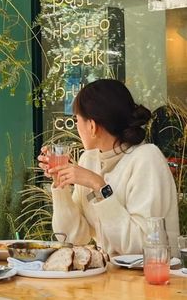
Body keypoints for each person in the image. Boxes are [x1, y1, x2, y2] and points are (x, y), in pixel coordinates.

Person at [38, 79, 179, 257]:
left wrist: (98, 186)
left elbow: (141, 247)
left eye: (77, 120)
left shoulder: (147, 159)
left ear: (92, 125)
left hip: (152, 281)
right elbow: (74, 238)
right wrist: (61, 185)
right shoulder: (89, 160)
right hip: (111, 279)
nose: (76, 127)